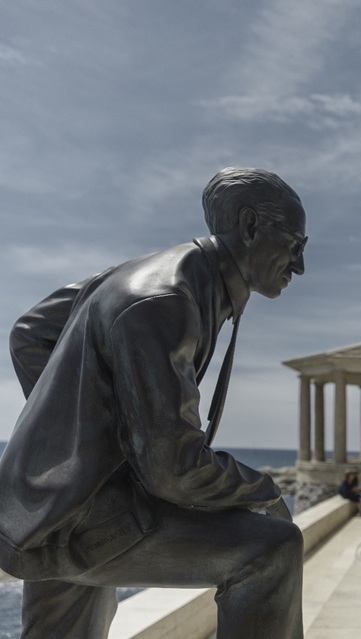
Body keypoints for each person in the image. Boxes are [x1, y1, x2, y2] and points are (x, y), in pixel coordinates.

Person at [0, 168, 307, 638]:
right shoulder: (165, 298)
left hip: (46, 505)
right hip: (81, 518)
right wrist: (263, 489)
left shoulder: (158, 275)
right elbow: (174, 468)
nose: (299, 265)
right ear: (249, 227)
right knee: (272, 550)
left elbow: (31, 333)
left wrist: (76, 445)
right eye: (295, 244)